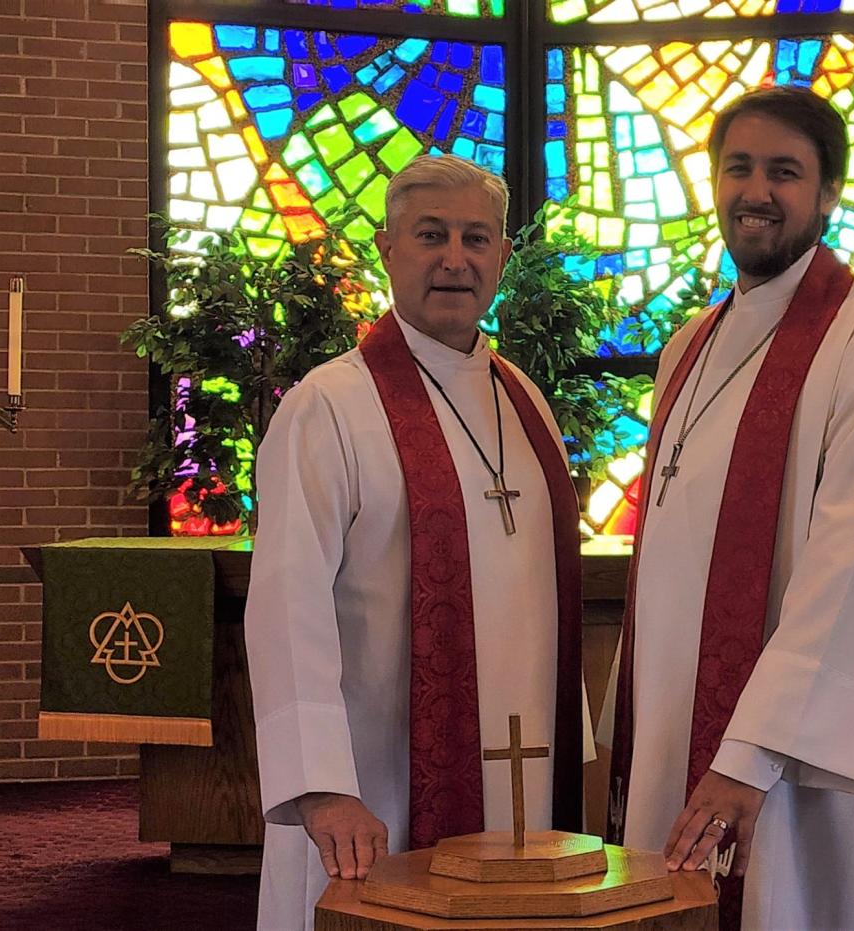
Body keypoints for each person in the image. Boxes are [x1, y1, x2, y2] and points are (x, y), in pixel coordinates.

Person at [601, 86, 854, 930]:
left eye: (785, 172)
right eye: (739, 168)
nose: (756, 191)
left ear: (829, 193)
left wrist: (751, 751)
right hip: (679, 720)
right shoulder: (689, 344)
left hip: (808, 747)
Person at [245, 153, 587, 931]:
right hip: (373, 781)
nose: (455, 258)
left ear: (503, 256)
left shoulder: (523, 398)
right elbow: (285, 608)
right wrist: (323, 783)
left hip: (522, 772)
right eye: (431, 235)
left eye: (477, 238)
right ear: (386, 247)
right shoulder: (327, 407)